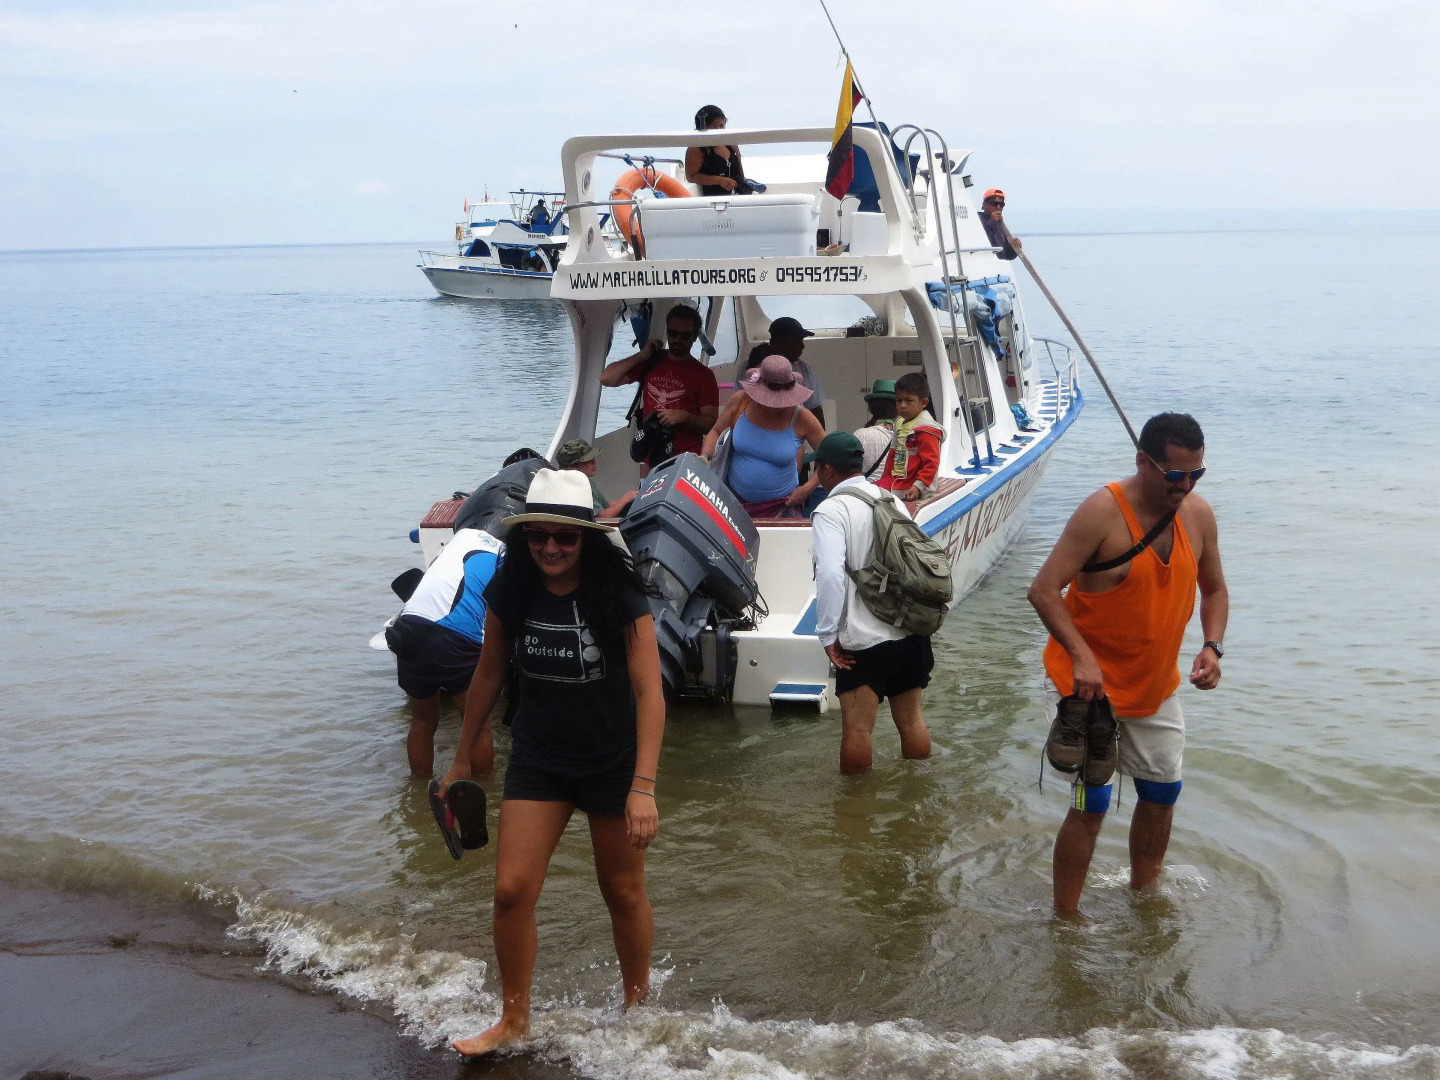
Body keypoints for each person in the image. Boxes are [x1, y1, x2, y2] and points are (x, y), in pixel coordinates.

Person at [440, 469, 665, 1056]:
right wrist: (462, 759)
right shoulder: (513, 587)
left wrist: (643, 785)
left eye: (564, 537)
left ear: (586, 537)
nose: (550, 548)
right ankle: (514, 1018)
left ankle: (637, 1008)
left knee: (621, 891)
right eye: (537, 536)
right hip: (539, 757)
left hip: (612, 762)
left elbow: (649, 693)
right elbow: (488, 674)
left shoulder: (620, 592)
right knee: (511, 891)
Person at [1027, 412, 1229, 915]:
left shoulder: (1198, 515)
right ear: (1143, 461)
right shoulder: (1101, 512)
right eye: (1175, 475)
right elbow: (1044, 590)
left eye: (1196, 475)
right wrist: (1081, 656)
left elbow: (1216, 589)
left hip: (1156, 686)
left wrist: (1212, 645)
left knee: (1162, 795)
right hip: (1087, 688)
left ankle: (1145, 900)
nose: (1184, 486)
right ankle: (1066, 918)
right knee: (1091, 805)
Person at [808, 432, 934, 774]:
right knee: (912, 722)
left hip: (863, 642)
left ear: (828, 470)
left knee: (858, 729)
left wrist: (827, 635)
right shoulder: (890, 499)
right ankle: (919, 797)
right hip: (908, 629)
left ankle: (854, 814)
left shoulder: (830, 510)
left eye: (817, 468)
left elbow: (831, 576)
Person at [385, 527, 504, 777]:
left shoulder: (459, 539)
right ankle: (483, 791)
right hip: (454, 637)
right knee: (477, 724)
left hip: (408, 628)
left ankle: (419, 789)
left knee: (422, 721)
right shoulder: (505, 555)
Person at [701, 354, 825, 518]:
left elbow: (830, 455)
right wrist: (705, 456)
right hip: (733, 502)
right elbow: (716, 431)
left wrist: (808, 488)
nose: (776, 406)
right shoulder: (740, 401)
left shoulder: (802, 417)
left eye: (782, 401)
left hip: (783, 506)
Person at [600, 305, 719, 469]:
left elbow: (710, 424)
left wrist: (684, 416)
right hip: (649, 455)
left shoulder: (704, 376)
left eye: (684, 336)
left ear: (693, 337)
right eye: (673, 333)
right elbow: (607, 378)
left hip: (683, 460)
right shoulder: (652, 361)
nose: (677, 339)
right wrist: (641, 355)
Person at [731, 316, 827, 428]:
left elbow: (814, 408)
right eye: (796, 342)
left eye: (801, 341)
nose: (802, 346)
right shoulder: (748, 367)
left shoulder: (804, 369)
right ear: (776, 342)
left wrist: (823, 442)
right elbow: (741, 404)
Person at [877, 372, 944, 502]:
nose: (902, 405)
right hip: (898, 480)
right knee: (868, 491)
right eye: (898, 400)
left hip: (915, 486)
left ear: (923, 403)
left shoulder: (927, 429)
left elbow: (931, 462)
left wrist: (918, 487)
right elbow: (892, 455)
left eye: (909, 401)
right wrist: (884, 480)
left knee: (870, 495)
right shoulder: (899, 422)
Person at [556, 438, 637, 519]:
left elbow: (606, 506)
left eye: (593, 459)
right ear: (572, 469)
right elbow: (602, 517)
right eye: (587, 461)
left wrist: (634, 500)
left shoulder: (588, 483)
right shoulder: (578, 488)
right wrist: (625, 499)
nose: (594, 463)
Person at [685, 105, 748, 196]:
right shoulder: (697, 148)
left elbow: (740, 174)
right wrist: (719, 180)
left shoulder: (730, 144)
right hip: (715, 202)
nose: (719, 130)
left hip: (738, 196)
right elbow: (691, 176)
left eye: (721, 126)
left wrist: (737, 154)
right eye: (714, 127)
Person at [854, 379, 897, 480]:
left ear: (871, 407)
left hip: (867, 493)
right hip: (897, 492)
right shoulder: (907, 434)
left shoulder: (861, 435)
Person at [980, 189, 1020, 260]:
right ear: (985, 205)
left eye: (1001, 204)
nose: (998, 207)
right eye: (994, 204)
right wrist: (992, 223)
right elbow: (983, 239)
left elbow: (1007, 255)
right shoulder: (977, 218)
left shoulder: (1000, 224)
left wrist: (1013, 247)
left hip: (999, 267)